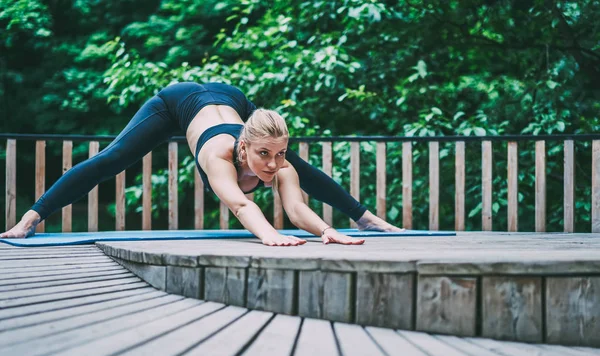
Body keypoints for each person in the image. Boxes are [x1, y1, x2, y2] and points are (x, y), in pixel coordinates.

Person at [1, 82, 402, 245]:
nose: (272, 163)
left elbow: (296, 208)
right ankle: (30, 218)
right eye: (263, 154)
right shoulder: (219, 157)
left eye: (276, 154)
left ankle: (364, 218)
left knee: (300, 167)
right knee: (114, 158)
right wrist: (269, 236)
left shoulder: (275, 159)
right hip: (178, 103)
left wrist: (327, 230)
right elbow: (243, 205)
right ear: (243, 147)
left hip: (232, 98)